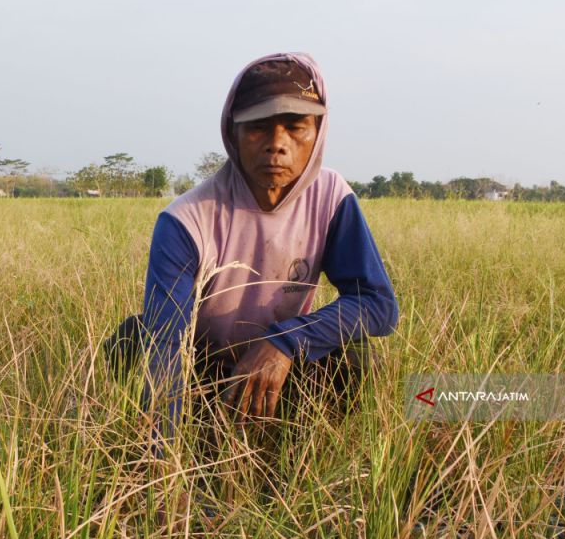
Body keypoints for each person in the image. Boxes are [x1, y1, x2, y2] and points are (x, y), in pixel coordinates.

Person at [105, 52, 399, 445]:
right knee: (139, 344)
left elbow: (377, 304)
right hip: (199, 361)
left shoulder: (330, 197)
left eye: (296, 128)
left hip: (276, 353)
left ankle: (294, 448)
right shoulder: (187, 219)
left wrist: (285, 340)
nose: (277, 146)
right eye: (258, 128)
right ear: (233, 133)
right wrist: (163, 468)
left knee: (356, 357)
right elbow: (168, 346)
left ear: (318, 131)